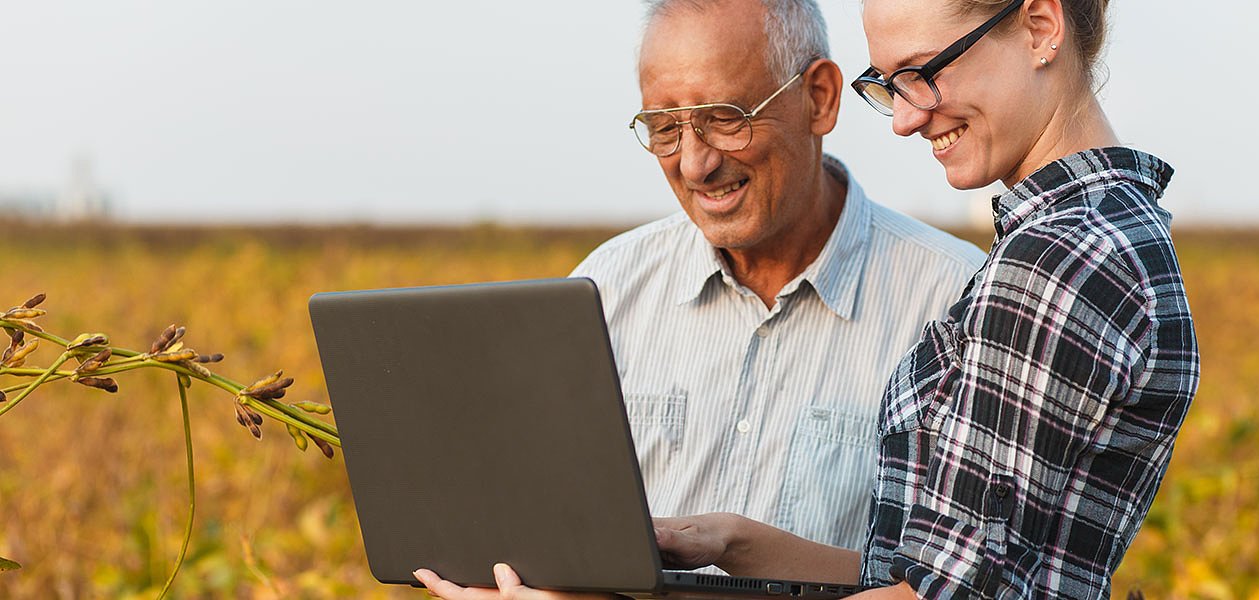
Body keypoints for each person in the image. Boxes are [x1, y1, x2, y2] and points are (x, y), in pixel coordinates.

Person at [417, 0, 1198, 596]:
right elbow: (928, 571)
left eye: (925, 71)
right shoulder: (1098, 232)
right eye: (888, 84)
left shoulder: (1057, 257)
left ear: (1038, 27)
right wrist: (731, 542)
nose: (902, 117)